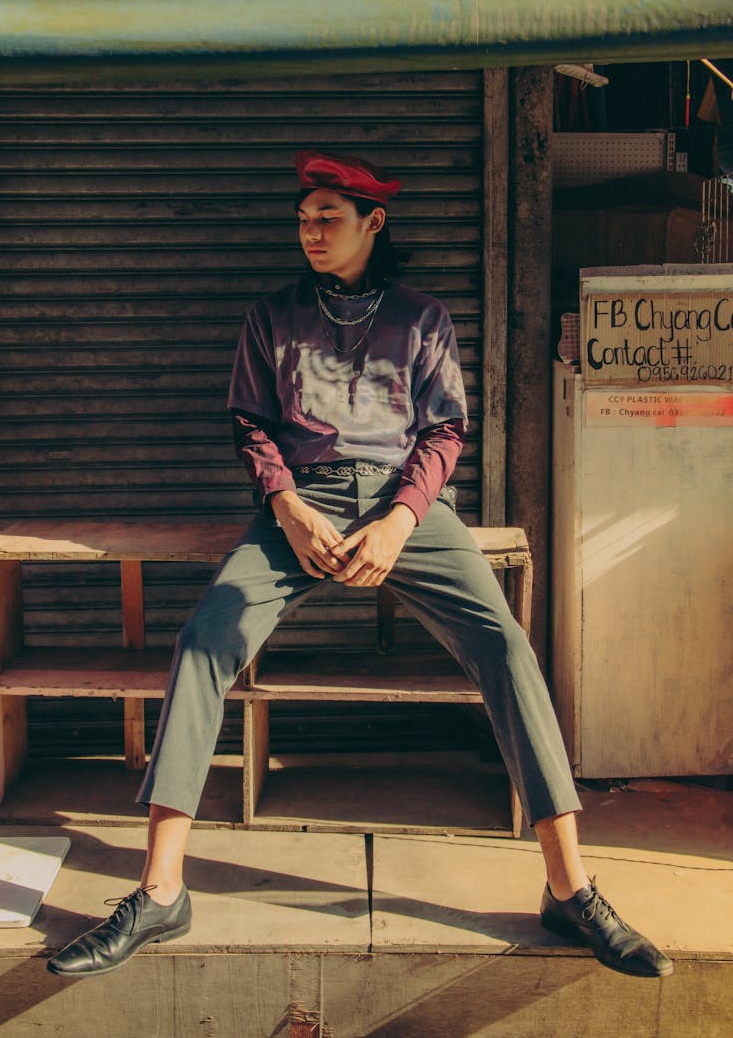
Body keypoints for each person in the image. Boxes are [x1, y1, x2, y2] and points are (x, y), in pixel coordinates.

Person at [47, 149, 672, 980]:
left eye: (328, 217)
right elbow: (250, 425)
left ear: (374, 224)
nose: (310, 230)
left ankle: (570, 885)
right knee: (202, 641)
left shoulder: (423, 318)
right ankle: (160, 889)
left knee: (507, 647)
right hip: (299, 507)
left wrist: (402, 519)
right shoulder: (270, 316)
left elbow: (445, 431)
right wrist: (287, 505)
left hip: (404, 504)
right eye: (304, 217)